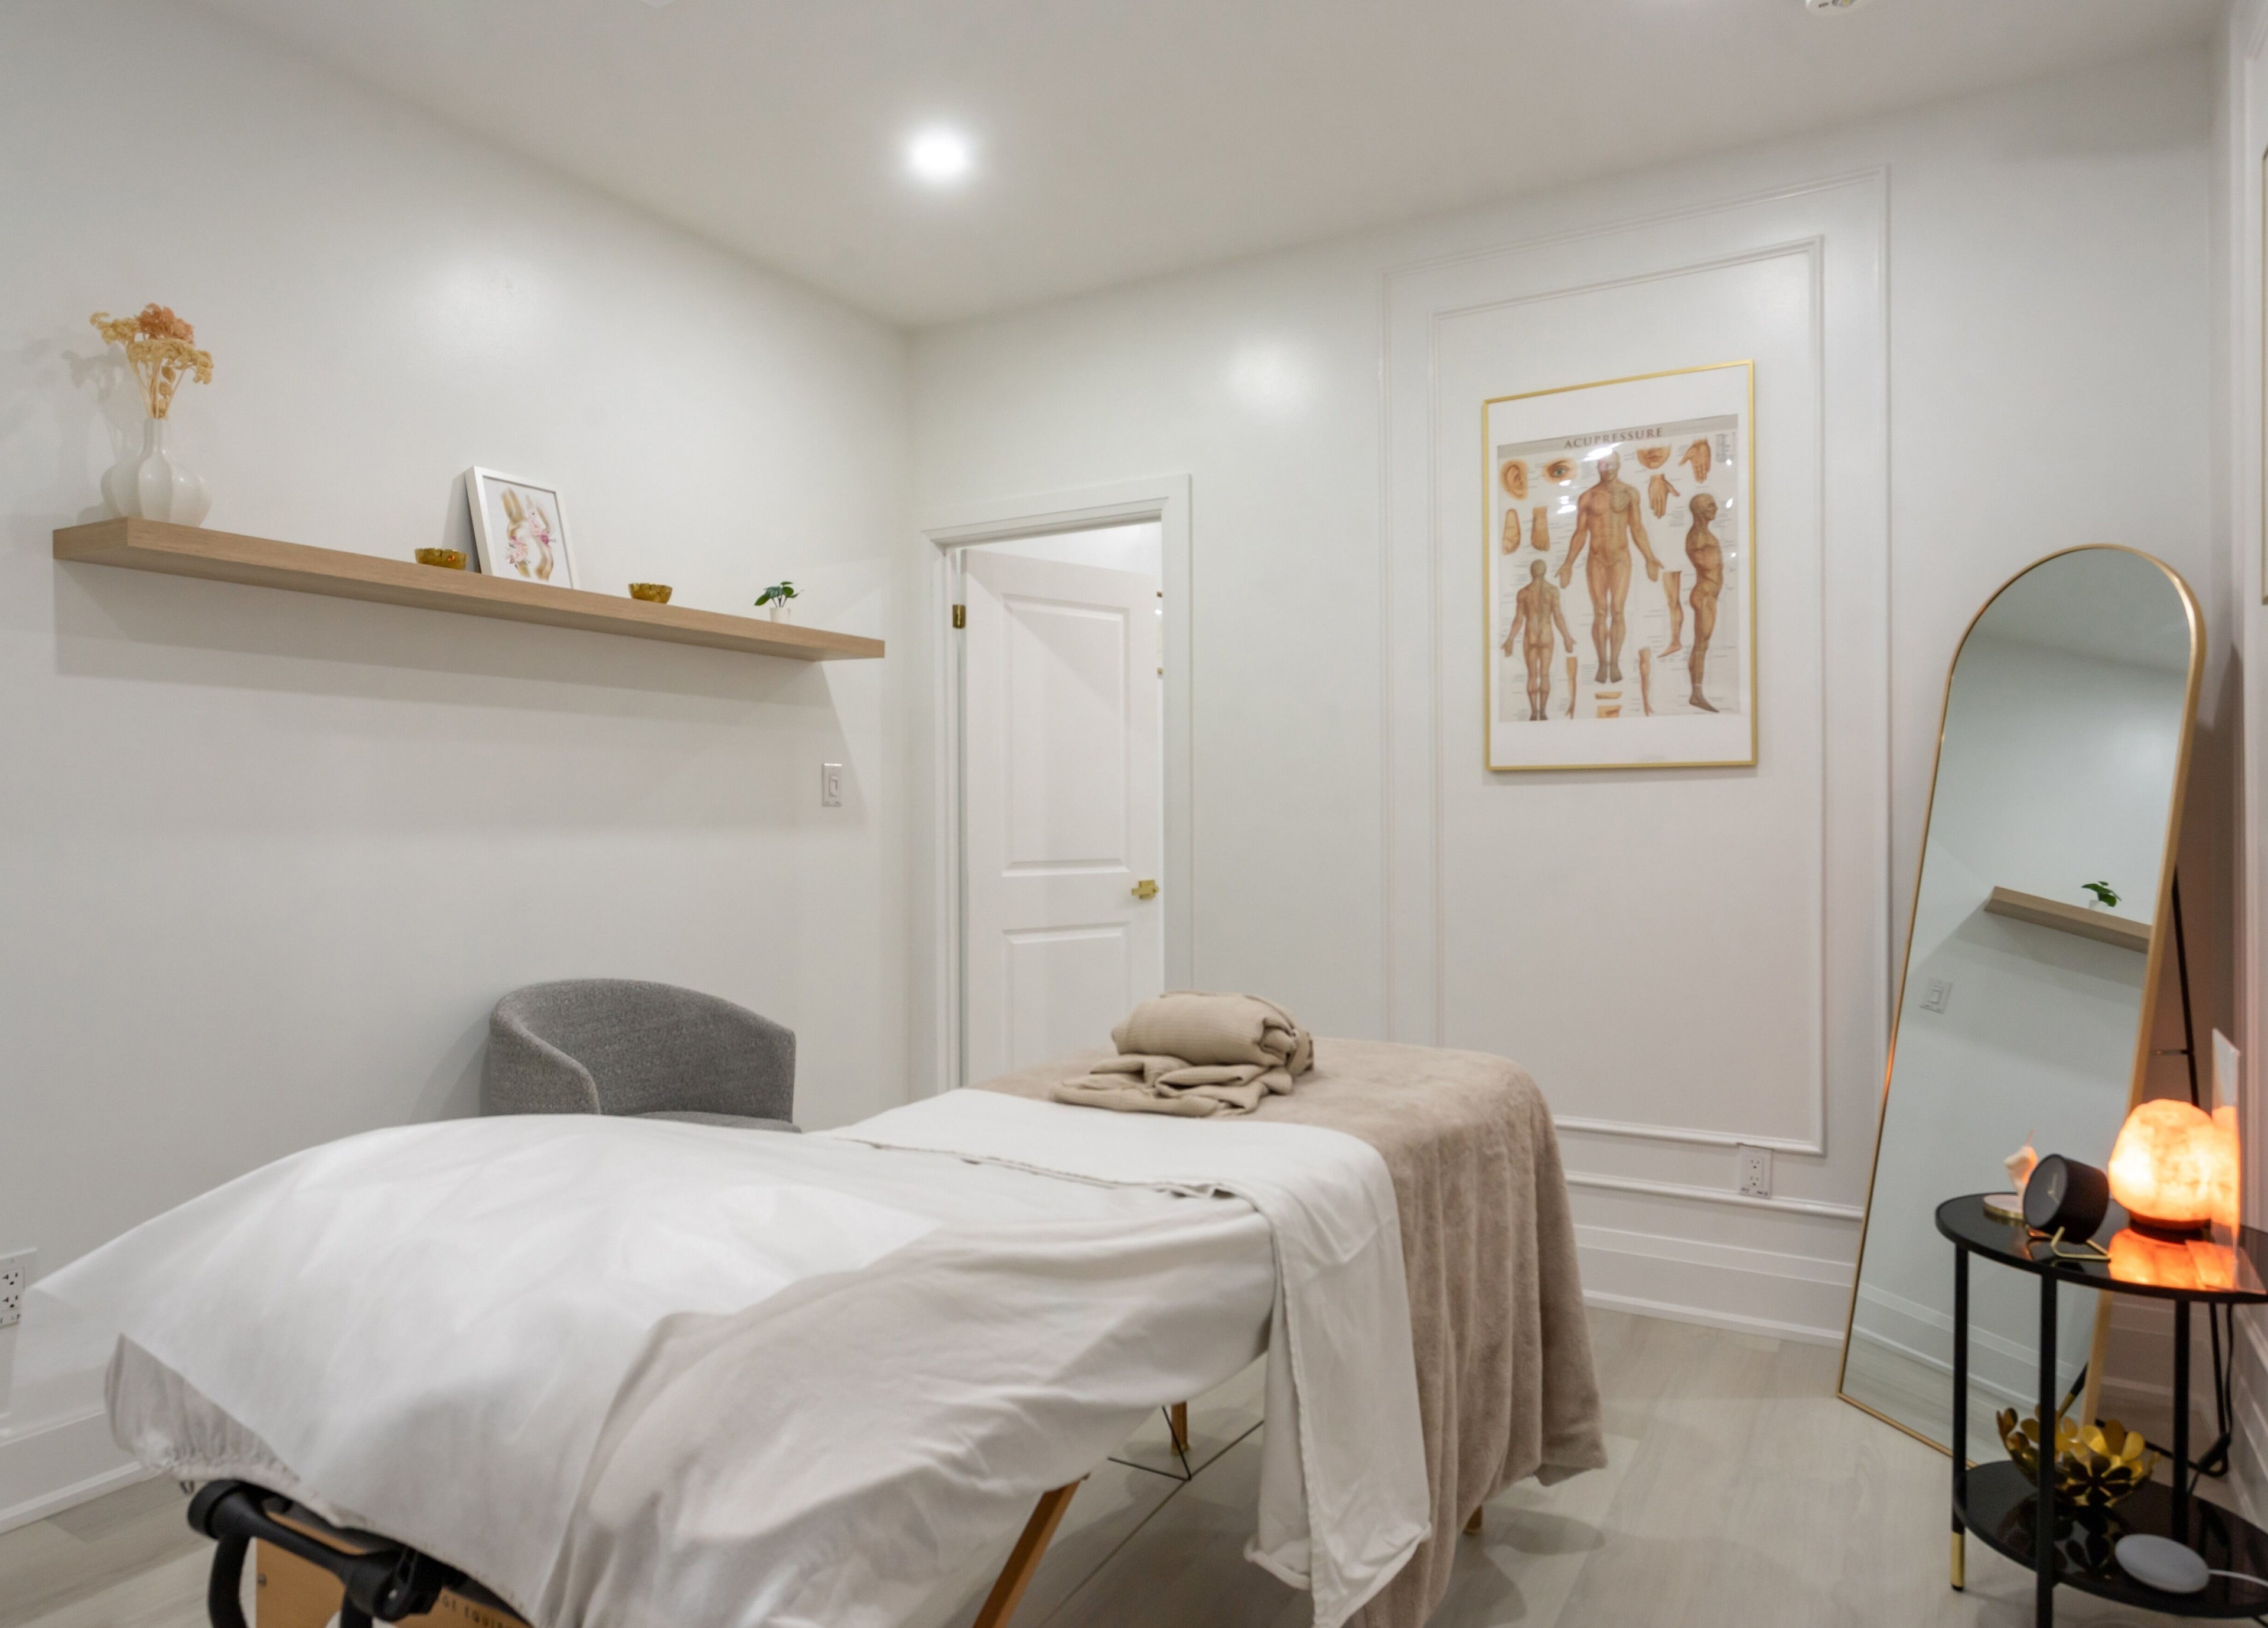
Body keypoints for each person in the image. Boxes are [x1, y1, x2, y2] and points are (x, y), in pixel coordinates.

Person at [1557, 450, 1663, 683]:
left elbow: (1637, 528)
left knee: (1617, 610)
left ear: (1619, 465)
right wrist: (1568, 564)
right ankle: (1602, 663)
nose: (1609, 470)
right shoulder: (1588, 497)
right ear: (1598, 467)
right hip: (1596, 560)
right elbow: (1580, 533)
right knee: (1600, 612)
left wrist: (1649, 557)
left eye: (1612, 465)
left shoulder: (1630, 494)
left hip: (1621, 559)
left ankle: (1614, 663)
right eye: (1604, 465)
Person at [1501, 559, 1575, 722]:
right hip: (1547, 635)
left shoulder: (1524, 593)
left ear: (1531, 572)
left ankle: (1534, 713)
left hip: (1531, 635)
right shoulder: (1552, 591)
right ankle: (1544, 713)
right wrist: (1567, 637)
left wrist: (1510, 639)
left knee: (1532, 676)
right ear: (1545, 571)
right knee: (1545, 675)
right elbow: (1558, 616)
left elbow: (1519, 620)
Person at [1684, 491, 1725, 712]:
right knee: (1700, 646)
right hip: (1704, 594)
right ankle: (1696, 694)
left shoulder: (1703, 534)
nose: (1716, 509)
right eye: (1711, 506)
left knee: (1703, 645)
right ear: (1700, 511)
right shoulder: (1698, 537)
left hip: (1709, 594)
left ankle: (1696, 692)